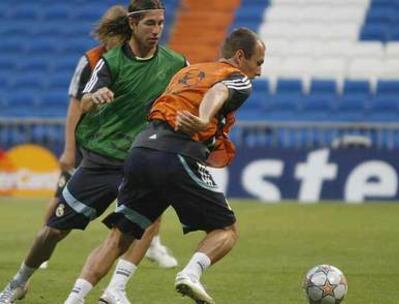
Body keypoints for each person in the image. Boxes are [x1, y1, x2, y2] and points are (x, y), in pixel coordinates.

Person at [0, 1, 186, 304]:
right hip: (102, 160)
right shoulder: (110, 61)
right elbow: (83, 102)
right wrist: (95, 98)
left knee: (148, 224)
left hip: (141, 159)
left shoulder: (176, 62)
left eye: (161, 23)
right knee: (53, 232)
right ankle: (19, 281)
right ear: (133, 24)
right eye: (150, 24)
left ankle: (116, 289)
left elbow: (191, 92)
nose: (157, 30)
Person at [64, 27, 266, 304]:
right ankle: (190, 274)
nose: (259, 71)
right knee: (226, 230)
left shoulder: (186, 72)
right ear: (240, 57)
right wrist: (205, 119)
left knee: (120, 236)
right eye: (258, 63)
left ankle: (77, 299)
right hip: (175, 152)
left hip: (141, 149)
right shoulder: (237, 78)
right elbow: (218, 91)